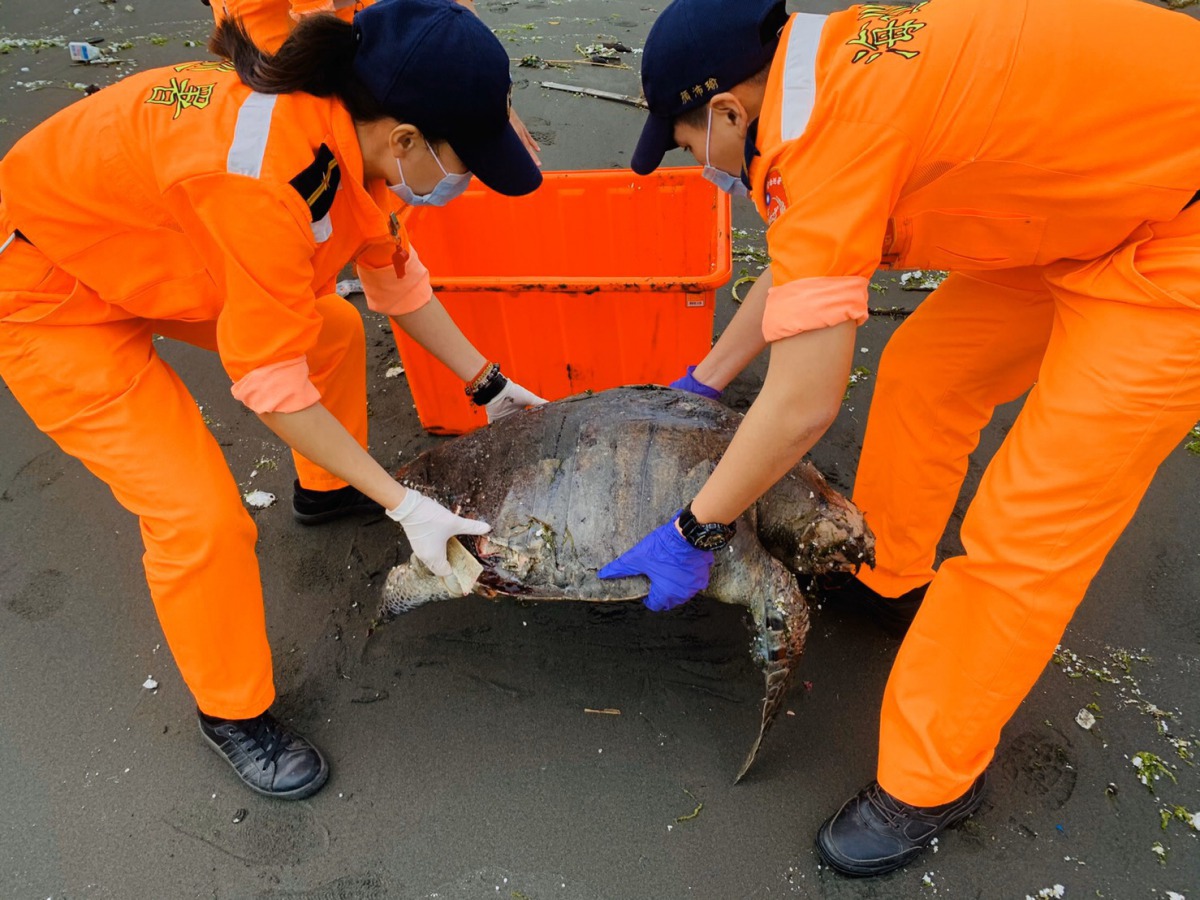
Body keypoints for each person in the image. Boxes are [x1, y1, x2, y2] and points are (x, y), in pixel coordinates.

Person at [601, 0, 1200, 877]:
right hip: (1087, 200)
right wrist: (707, 380)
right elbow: (812, 255)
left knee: (1027, 530)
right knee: (924, 366)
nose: (700, 165)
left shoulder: (829, 134)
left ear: (730, 110)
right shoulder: (829, 69)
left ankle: (931, 780)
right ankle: (889, 569)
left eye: (690, 145)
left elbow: (805, 402)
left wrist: (697, 528)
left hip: (1176, 231)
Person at [0, 0, 544, 800]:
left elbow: (394, 277)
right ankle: (232, 715)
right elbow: (270, 387)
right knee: (200, 518)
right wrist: (402, 502)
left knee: (334, 332)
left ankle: (325, 493)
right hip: (49, 289)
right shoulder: (264, 176)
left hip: (153, 244)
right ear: (405, 139)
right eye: (463, 161)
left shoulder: (345, 127)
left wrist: (488, 384)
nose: (462, 179)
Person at [200, 0, 542, 161]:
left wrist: (487, 88)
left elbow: (453, 9)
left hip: (337, 16)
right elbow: (315, 35)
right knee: (306, 138)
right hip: (275, 36)